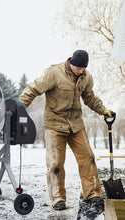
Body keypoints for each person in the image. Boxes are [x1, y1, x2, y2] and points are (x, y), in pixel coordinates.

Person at [19, 49, 113, 210]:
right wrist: (19, 109)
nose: (82, 71)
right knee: (55, 164)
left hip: (76, 124)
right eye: (79, 68)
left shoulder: (86, 77)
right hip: (55, 124)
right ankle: (58, 199)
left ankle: (93, 195)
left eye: (84, 68)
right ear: (71, 63)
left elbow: (89, 97)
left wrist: (103, 110)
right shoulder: (54, 73)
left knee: (88, 158)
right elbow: (33, 89)